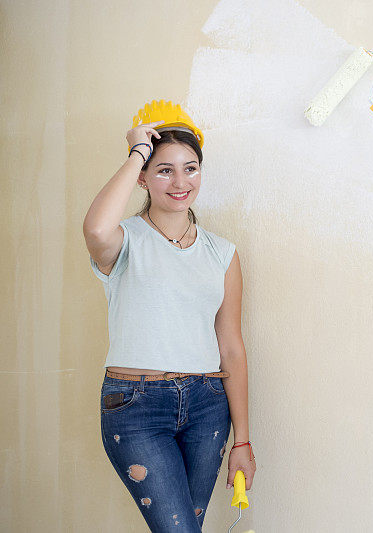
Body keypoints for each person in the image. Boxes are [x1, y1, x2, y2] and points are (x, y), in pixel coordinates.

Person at [83, 100, 256, 531]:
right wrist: (138, 148)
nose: (181, 182)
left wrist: (243, 439)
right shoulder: (124, 241)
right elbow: (96, 229)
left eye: (191, 168)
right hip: (136, 406)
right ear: (142, 177)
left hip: (206, 406)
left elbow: (230, 346)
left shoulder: (223, 253)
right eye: (164, 170)